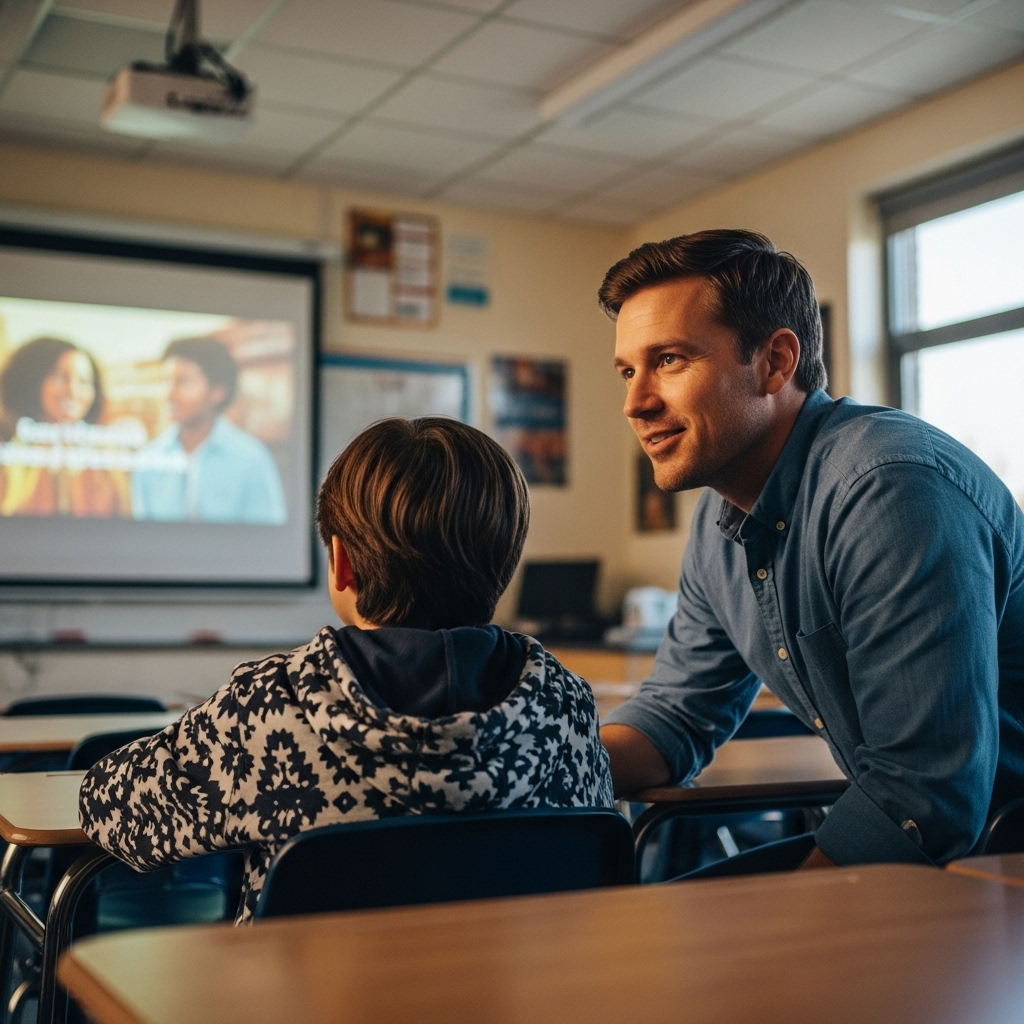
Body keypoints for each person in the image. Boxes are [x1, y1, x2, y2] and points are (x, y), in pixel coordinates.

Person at [599, 229, 1024, 871]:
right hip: (938, 846)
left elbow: (923, 796)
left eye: (670, 360)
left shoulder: (887, 487)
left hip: (990, 855)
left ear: (775, 362)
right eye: (629, 370)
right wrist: (510, 772)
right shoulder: (721, 518)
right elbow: (675, 715)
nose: (635, 402)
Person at [80, 417, 614, 922]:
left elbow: (110, 809)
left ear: (341, 562)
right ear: (505, 561)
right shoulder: (566, 706)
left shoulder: (270, 708)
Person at [130, 335, 286, 524]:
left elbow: (267, 540)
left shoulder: (251, 459)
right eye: (166, 381)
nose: (168, 394)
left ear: (217, 392)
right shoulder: (149, 459)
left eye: (183, 382)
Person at [0, 336, 131, 516]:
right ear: (34, 383)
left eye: (84, 382)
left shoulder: (109, 460)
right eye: (60, 377)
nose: (73, 391)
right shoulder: (10, 455)